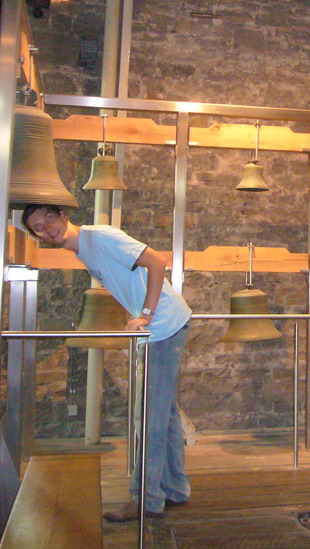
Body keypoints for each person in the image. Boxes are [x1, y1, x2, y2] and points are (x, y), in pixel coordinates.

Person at [21, 203, 192, 521]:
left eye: (48, 218)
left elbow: (157, 261)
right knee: (164, 415)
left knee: (151, 419)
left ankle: (146, 500)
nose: (46, 228)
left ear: (63, 216)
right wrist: (138, 311)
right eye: (37, 227)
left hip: (164, 326)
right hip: (164, 326)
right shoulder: (83, 250)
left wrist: (145, 314)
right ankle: (175, 488)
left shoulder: (99, 238)